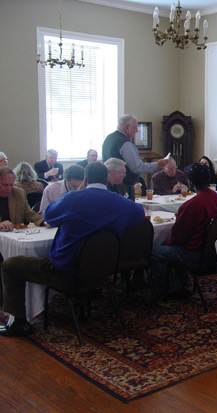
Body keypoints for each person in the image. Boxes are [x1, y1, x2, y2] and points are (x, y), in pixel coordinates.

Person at [0, 162, 145, 337]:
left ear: (85, 179)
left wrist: (76, 193)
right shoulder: (121, 202)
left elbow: (49, 215)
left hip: (67, 274)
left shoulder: (73, 199)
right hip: (104, 271)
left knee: (10, 265)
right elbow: (139, 215)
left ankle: (19, 322)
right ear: (107, 179)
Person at [150, 163, 217, 296]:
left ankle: (174, 288)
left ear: (190, 182)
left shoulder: (192, 205)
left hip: (196, 253)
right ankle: (182, 280)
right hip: (215, 251)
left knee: (153, 250)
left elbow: (178, 237)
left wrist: (164, 241)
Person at [102, 114, 169, 200]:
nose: (137, 131)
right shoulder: (125, 143)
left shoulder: (109, 138)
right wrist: (157, 164)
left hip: (110, 184)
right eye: (135, 128)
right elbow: (137, 167)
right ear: (126, 127)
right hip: (123, 186)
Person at [0, 167, 44, 232]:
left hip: (15, 236)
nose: (9, 188)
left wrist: (44, 221)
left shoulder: (19, 193)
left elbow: (29, 214)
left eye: (11, 185)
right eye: (5, 185)